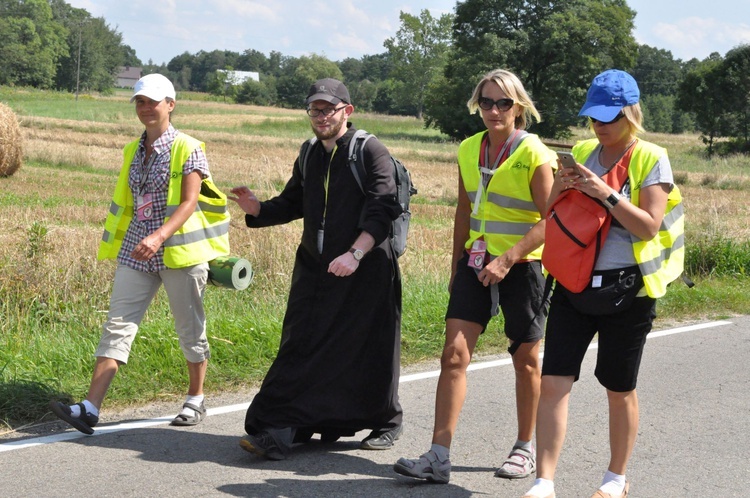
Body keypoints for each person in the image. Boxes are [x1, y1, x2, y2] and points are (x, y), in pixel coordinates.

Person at [522, 69, 684, 498]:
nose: (599, 126)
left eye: (609, 118)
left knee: (618, 386)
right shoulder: (582, 150)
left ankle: (615, 479)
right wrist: (563, 183)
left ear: (631, 114)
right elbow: (551, 210)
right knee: (554, 381)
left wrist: (604, 193)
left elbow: (648, 226)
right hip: (573, 283)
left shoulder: (652, 156)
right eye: (594, 118)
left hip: (628, 290)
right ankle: (544, 482)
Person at [394, 69, 556, 484]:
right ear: (477, 105)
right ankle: (438, 455)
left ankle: (524, 450)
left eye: (503, 103)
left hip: (523, 267)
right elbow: (465, 211)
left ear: (519, 107)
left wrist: (509, 257)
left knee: (526, 361)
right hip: (475, 263)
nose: (494, 110)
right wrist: (455, 267)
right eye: (486, 102)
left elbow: (552, 218)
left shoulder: (534, 152)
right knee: (453, 355)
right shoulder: (468, 148)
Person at [228, 78, 403, 460]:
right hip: (315, 267)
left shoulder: (370, 150)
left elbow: (382, 209)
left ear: (347, 111)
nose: (321, 116)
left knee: (367, 347)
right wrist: (258, 209)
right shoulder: (309, 152)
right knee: (301, 343)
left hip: (364, 267)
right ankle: (286, 426)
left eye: (328, 109)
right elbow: (295, 202)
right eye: (315, 110)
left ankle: (387, 420)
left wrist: (354, 254)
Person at [49, 73, 230, 434]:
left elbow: (190, 200)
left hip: (177, 251)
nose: (146, 108)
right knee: (117, 325)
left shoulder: (188, 147)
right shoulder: (132, 149)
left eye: (153, 101)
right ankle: (89, 408)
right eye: (140, 102)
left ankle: (195, 398)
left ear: (171, 105)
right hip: (137, 250)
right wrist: (142, 238)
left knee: (189, 329)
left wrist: (160, 236)